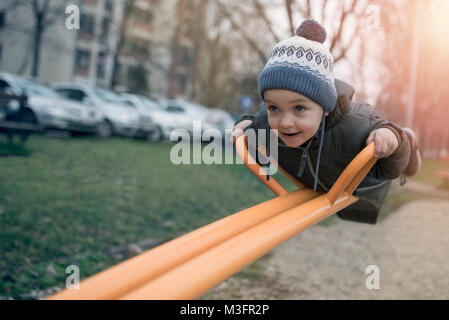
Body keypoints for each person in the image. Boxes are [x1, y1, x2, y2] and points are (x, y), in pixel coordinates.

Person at [231, 19, 422, 224]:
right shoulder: (270, 124)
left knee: (405, 163)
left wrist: (392, 138)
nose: (285, 122)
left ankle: (408, 140)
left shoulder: (357, 128)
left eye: (299, 108)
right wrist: (244, 124)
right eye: (274, 107)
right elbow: (255, 120)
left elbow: (389, 169)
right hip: (329, 185)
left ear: (326, 109)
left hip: (368, 181)